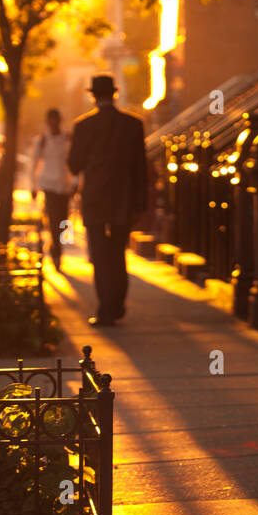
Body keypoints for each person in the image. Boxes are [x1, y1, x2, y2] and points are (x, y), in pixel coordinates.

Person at [67, 75, 148, 328]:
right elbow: (140, 168)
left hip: (95, 199)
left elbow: (73, 164)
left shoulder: (83, 126)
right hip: (122, 199)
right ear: (114, 94)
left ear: (93, 95)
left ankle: (106, 309)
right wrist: (139, 202)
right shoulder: (133, 125)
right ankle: (117, 304)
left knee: (100, 255)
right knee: (117, 252)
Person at [31, 108, 76, 272]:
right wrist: (33, 186)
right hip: (48, 185)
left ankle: (58, 246)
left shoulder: (68, 139)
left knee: (64, 219)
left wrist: (76, 182)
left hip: (65, 186)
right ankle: (56, 249)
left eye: (56, 120)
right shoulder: (41, 140)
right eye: (51, 120)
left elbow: (76, 162)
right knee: (52, 218)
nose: (54, 123)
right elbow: (34, 164)